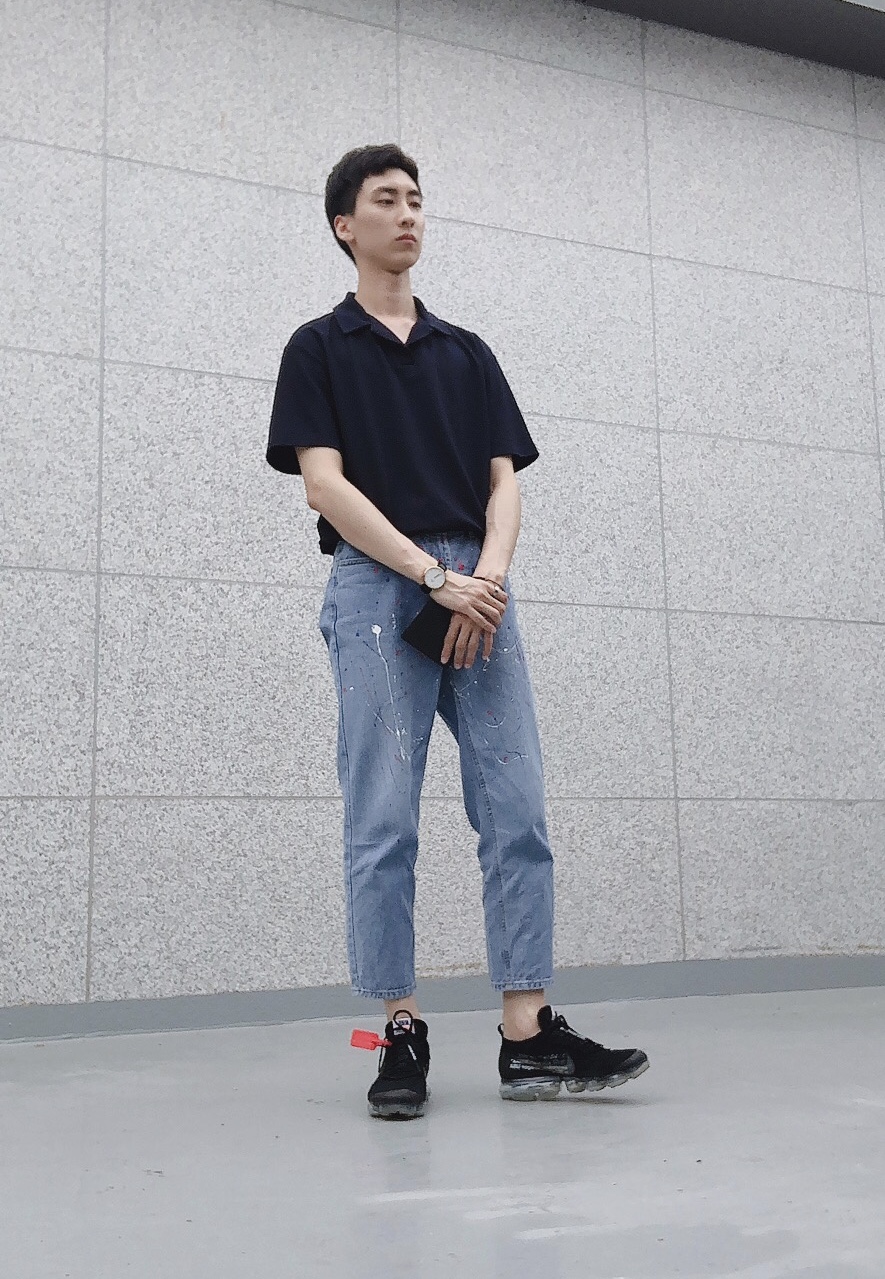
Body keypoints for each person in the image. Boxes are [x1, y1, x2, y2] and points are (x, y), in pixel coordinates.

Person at [265, 143, 649, 1119]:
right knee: (384, 819)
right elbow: (323, 484)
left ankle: (528, 1033)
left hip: (478, 586)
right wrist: (431, 576)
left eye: (417, 199)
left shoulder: (466, 352)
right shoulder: (318, 348)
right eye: (385, 199)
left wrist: (485, 580)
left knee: (516, 807)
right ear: (345, 225)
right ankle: (399, 1029)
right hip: (379, 586)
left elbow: (502, 482)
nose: (408, 214)